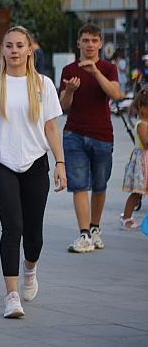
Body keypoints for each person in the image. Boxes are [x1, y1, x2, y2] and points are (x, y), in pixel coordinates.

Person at [0, 26, 66, 319]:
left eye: (20, 45)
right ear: (2, 50)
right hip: (3, 163)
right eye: (9, 46)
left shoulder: (43, 84)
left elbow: (51, 127)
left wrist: (60, 163)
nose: (14, 51)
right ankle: (11, 296)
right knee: (12, 228)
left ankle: (30, 269)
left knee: (34, 234)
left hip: (36, 164)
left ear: (29, 50)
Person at [59, 24, 121, 253]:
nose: (90, 45)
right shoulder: (68, 70)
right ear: (79, 43)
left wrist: (95, 72)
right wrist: (70, 91)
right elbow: (62, 106)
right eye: (85, 40)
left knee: (100, 184)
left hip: (102, 134)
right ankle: (84, 234)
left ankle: (95, 228)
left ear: (100, 44)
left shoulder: (109, 68)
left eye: (94, 41)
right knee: (79, 185)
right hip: (74, 134)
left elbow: (115, 94)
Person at [120, 88, 148, 230]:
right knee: (137, 193)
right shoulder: (141, 125)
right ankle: (126, 218)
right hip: (142, 163)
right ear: (143, 109)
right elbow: (146, 144)